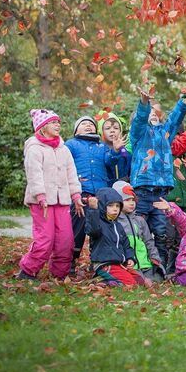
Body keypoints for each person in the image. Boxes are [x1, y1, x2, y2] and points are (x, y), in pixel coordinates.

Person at [129, 84, 186, 266]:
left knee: (162, 232)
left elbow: (175, 120)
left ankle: (160, 267)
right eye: (150, 113)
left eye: (155, 113)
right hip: (142, 190)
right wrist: (144, 103)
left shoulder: (165, 134)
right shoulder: (138, 134)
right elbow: (139, 119)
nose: (153, 114)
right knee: (138, 229)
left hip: (161, 192)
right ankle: (139, 264)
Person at [16, 109, 81, 281]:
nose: (58, 125)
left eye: (58, 122)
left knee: (65, 240)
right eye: (53, 122)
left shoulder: (63, 149)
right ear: (42, 126)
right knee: (45, 239)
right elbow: (34, 174)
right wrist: (40, 196)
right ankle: (28, 271)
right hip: (41, 202)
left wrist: (76, 195)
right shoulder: (34, 148)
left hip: (62, 201)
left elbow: (71, 173)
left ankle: (59, 274)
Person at [66, 115, 122, 273]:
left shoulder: (102, 146)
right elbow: (64, 163)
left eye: (91, 124)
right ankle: (70, 260)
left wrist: (115, 151)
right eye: (83, 124)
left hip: (100, 193)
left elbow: (109, 162)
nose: (88, 126)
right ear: (76, 129)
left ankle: (98, 260)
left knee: (100, 228)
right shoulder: (71, 144)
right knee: (77, 227)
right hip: (80, 193)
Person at [85, 187, 141, 286]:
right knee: (130, 283)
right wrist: (93, 210)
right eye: (110, 205)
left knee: (139, 280)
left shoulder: (118, 226)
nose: (115, 209)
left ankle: (106, 280)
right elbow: (93, 231)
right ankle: (103, 282)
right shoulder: (98, 223)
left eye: (117, 206)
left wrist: (130, 258)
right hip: (104, 263)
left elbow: (126, 245)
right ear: (102, 206)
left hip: (119, 264)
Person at [113, 180, 164, 282]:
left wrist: (154, 258)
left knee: (158, 278)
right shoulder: (115, 222)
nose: (131, 203)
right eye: (127, 200)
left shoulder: (140, 220)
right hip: (129, 266)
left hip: (145, 264)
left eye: (133, 199)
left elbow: (149, 241)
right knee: (137, 280)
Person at [96, 110, 131, 184]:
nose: (112, 131)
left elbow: (130, 168)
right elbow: (107, 162)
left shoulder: (124, 151)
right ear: (101, 132)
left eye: (116, 128)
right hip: (106, 189)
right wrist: (115, 151)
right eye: (108, 128)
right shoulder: (99, 150)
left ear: (120, 131)